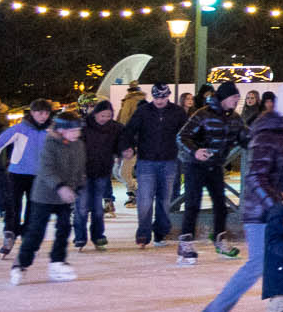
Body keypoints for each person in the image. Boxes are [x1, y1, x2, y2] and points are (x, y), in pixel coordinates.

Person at [195, 80, 283, 312]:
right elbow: (256, 177)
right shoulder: (266, 134)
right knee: (258, 265)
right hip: (262, 212)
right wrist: (277, 205)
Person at [176, 81, 249, 265]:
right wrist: (195, 151)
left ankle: (219, 238)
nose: (236, 101)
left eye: (238, 98)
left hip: (215, 165)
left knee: (220, 204)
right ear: (224, 98)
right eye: (234, 98)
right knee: (193, 204)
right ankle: (185, 242)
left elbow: (245, 137)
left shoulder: (235, 118)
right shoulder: (203, 114)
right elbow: (182, 136)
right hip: (195, 165)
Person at [9, 111, 86, 285]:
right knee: (36, 232)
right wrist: (60, 187)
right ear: (61, 130)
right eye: (73, 130)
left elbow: (79, 168)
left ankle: (57, 262)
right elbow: (46, 169)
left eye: (78, 130)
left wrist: (79, 185)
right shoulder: (49, 144)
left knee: (64, 229)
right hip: (44, 195)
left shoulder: (78, 145)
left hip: (65, 196)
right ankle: (20, 264)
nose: (77, 133)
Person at [0, 99, 54, 260]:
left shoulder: (52, 131)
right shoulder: (20, 129)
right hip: (17, 174)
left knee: (34, 208)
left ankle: (28, 236)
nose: (43, 116)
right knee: (12, 206)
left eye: (46, 113)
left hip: (39, 176)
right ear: (32, 112)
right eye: (40, 113)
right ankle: (10, 233)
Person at [124, 83, 187, 247]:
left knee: (164, 200)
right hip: (146, 161)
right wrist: (127, 146)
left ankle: (160, 233)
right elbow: (129, 130)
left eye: (163, 97)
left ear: (168, 96)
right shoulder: (143, 111)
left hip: (169, 161)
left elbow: (186, 133)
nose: (159, 101)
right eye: (156, 97)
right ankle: (143, 233)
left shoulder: (178, 112)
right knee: (144, 199)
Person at [75, 100, 124, 250]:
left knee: (97, 207)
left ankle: (98, 236)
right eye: (103, 115)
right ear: (95, 114)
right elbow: (75, 147)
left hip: (102, 171)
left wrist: (123, 151)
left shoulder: (115, 128)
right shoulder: (84, 126)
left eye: (109, 116)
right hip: (83, 172)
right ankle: (80, 237)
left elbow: (121, 144)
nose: (105, 119)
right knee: (82, 206)